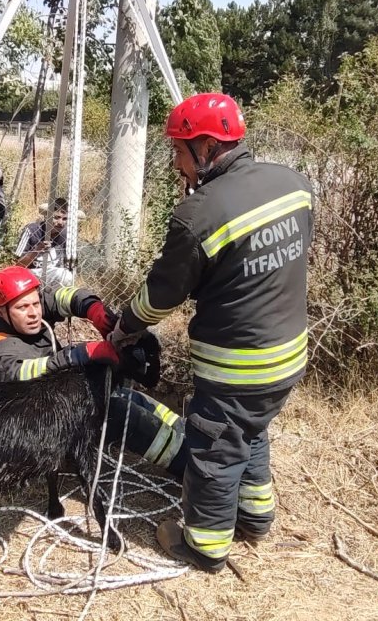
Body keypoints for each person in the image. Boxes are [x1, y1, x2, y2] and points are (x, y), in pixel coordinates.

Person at [109, 93, 314, 572]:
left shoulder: (199, 214)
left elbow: (161, 295)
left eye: (178, 150)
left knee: (216, 450)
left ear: (204, 146)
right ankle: (255, 518)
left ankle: (203, 544)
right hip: (288, 356)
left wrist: (124, 328)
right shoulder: (294, 184)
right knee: (250, 430)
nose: (176, 163)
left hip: (238, 366)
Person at [0, 266, 189, 478]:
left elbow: (65, 296)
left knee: (133, 399)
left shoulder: (27, 313)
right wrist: (79, 355)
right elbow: (25, 373)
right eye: (23, 308)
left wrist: (93, 310)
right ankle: (189, 465)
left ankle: (191, 438)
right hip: (28, 432)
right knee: (121, 414)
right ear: (1, 312)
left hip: (53, 405)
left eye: (36, 303)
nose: (33, 313)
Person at [14, 198, 74, 288]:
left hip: (54, 275)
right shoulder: (32, 230)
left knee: (67, 276)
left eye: (64, 219)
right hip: (31, 274)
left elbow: (69, 264)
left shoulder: (65, 235)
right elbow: (18, 266)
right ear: (47, 217)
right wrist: (37, 249)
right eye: (56, 217)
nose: (60, 223)